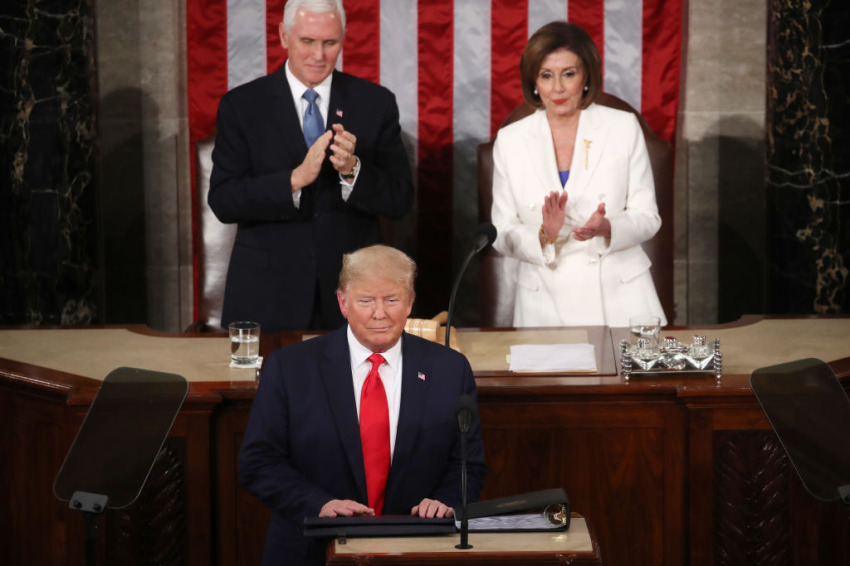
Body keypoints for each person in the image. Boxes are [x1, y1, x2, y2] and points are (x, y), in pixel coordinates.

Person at [239, 244, 488, 566]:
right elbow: (258, 462)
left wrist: (447, 500)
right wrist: (319, 503)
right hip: (311, 549)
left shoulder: (449, 369)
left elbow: (468, 463)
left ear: (410, 302)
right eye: (366, 301)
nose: (379, 313)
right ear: (343, 302)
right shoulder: (290, 367)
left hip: (417, 548)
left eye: (392, 300)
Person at [209, 0, 414, 332]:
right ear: (284, 36)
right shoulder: (242, 106)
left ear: (344, 38)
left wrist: (353, 170)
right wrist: (293, 180)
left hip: (353, 293)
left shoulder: (375, 103)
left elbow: (400, 199)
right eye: (307, 41)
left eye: (329, 43)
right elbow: (223, 200)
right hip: (268, 295)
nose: (318, 55)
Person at [491, 21, 667, 327]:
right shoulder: (510, 140)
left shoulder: (622, 127)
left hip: (621, 304)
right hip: (543, 306)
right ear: (534, 81)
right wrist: (544, 234)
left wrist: (609, 226)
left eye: (568, 74)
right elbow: (501, 232)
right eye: (547, 75)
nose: (557, 88)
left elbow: (648, 217)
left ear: (586, 76)